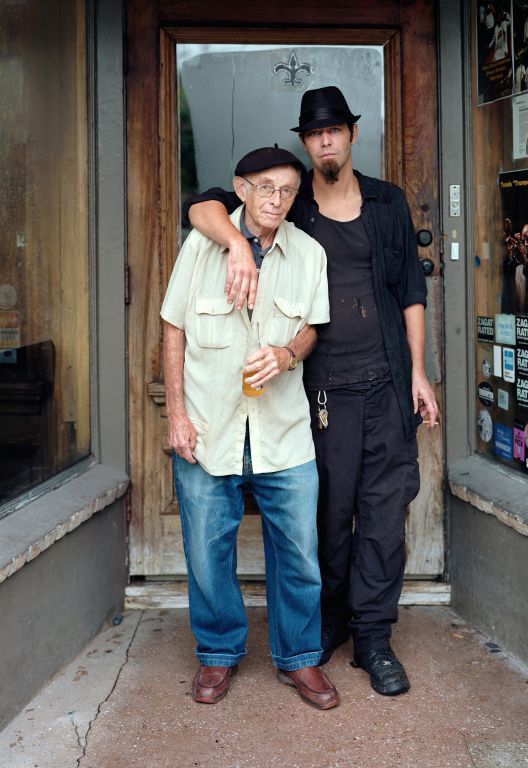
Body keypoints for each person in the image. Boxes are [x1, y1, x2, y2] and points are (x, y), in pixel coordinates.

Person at [183, 86, 439, 698]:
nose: (325, 140)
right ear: (306, 143)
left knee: (382, 518)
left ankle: (374, 638)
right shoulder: (289, 207)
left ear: (351, 134)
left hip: (384, 385)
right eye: (314, 133)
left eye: (335, 130)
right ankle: (324, 628)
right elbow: (203, 208)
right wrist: (239, 244)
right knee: (326, 521)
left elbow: (410, 291)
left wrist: (418, 372)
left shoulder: (386, 203)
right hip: (319, 393)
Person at [161, 145, 340, 710]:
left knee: (299, 552)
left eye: (288, 190)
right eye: (266, 188)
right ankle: (217, 655)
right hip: (210, 427)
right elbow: (173, 330)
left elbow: (313, 327)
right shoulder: (203, 243)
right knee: (206, 550)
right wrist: (176, 416)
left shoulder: (310, 253)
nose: (277, 200)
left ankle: (300, 658)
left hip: (282, 431)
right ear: (240, 189)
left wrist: (288, 355)